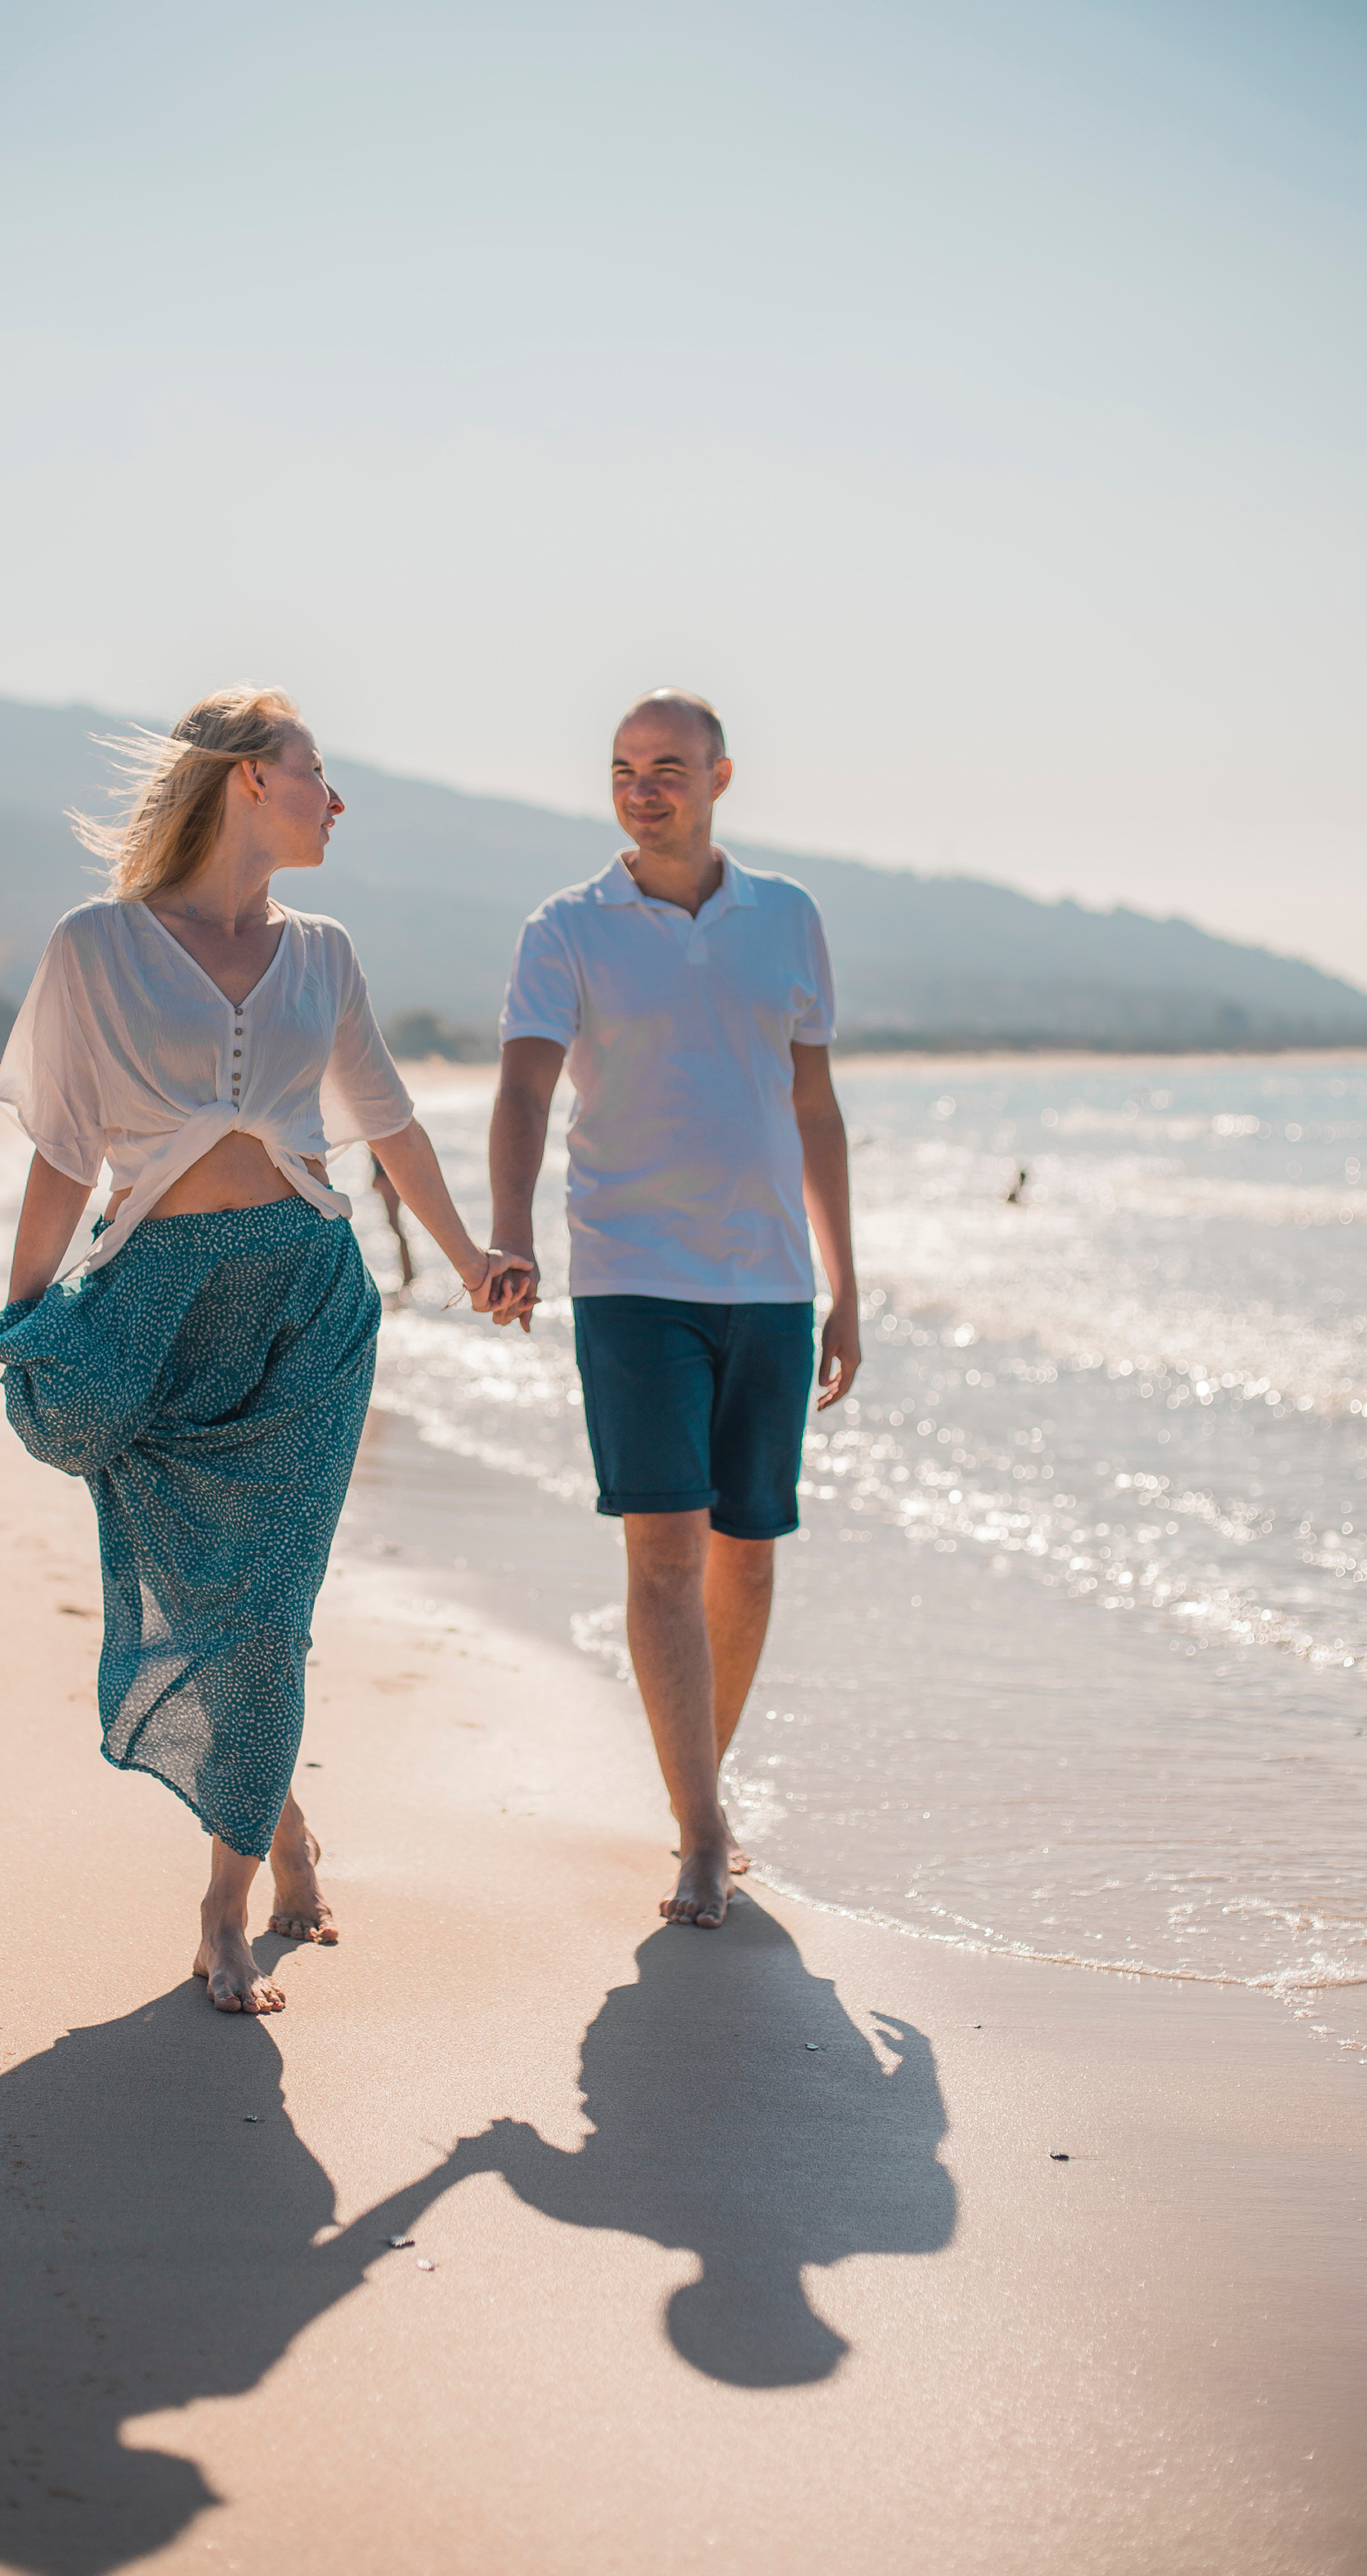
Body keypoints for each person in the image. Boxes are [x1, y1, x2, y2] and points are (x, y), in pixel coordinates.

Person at [0, 687, 531, 2017]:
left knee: (269, 1611)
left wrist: (467, 1256)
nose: (335, 799)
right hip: (155, 1315)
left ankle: (223, 1913)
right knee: (219, 1607)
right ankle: (282, 1831)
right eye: (315, 773)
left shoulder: (323, 951)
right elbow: (62, 1151)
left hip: (307, 1309)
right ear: (242, 782)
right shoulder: (97, 944)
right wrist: (27, 1318)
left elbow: (385, 1122)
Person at [488, 689, 861, 1934]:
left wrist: (846, 1281)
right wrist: (513, 1230)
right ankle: (703, 1829)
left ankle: (696, 1781)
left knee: (749, 1552)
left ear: (720, 777)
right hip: (632, 1274)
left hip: (770, 1279)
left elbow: (814, 1107)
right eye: (622, 769)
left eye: (667, 767)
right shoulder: (568, 926)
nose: (643, 788)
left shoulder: (789, 919)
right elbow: (526, 1092)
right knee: (664, 1553)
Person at [369, 1149, 417, 1294]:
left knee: (396, 1227)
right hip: (386, 1178)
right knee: (395, 1227)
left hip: (388, 1179)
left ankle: (409, 1276)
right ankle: (408, 1275)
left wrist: (378, 1175)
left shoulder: (378, 1130)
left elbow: (385, 1159)